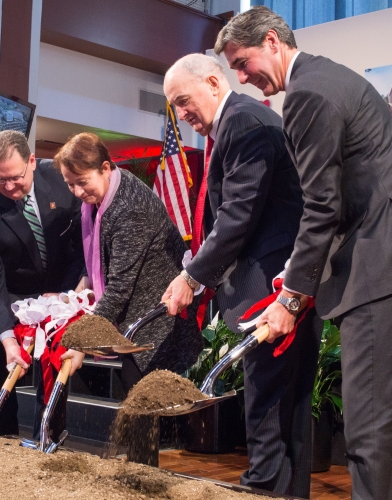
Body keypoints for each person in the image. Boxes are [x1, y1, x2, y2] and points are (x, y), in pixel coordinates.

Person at [214, 7, 392, 500]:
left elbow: (321, 206)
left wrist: (291, 298)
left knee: (368, 429)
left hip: (379, 261)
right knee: (375, 424)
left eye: (243, 61)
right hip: (383, 254)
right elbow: (330, 201)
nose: (241, 76)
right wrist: (293, 276)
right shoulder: (323, 77)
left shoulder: (308, 94)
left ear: (273, 41)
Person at [160, 54, 321, 498]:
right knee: (282, 406)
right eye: (175, 106)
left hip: (273, 290)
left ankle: (262, 490)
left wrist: (191, 278)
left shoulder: (244, 122)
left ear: (213, 82)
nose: (182, 113)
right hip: (272, 284)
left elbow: (237, 216)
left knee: (268, 406)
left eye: (184, 100)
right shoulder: (236, 122)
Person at [53, 132, 204, 465]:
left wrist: (79, 345)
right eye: (69, 185)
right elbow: (100, 259)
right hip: (136, 315)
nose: (78, 192)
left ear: (106, 168)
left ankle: (143, 473)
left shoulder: (130, 207)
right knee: (135, 401)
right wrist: (81, 288)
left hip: (158, 316)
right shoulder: (100, 200)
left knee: (141, 399)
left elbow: (120, 286)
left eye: (82, 182)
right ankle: (139, 468)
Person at [0, 130, 86, 440]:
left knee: (55, 370)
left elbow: (82, 242)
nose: (7, 186)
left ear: (32, 161)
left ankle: (49, 442)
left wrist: (69, 293)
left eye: (15, 177)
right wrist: (8, 341)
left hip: (60, 291)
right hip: (9, 295)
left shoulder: (61, 177)